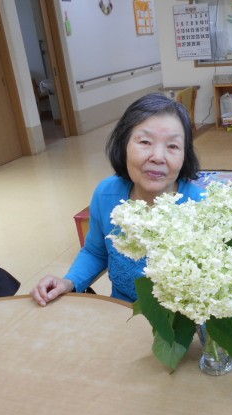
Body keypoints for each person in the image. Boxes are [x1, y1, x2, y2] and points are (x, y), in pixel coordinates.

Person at [31, 93, 203, 306]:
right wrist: (68, 281)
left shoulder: (201, 206)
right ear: (124, 145)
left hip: (183, 320)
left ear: (185, 155)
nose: (158, 157)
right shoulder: (107, 194)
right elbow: (95, 252)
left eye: (173, 146)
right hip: (122, 312)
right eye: (145, 142)